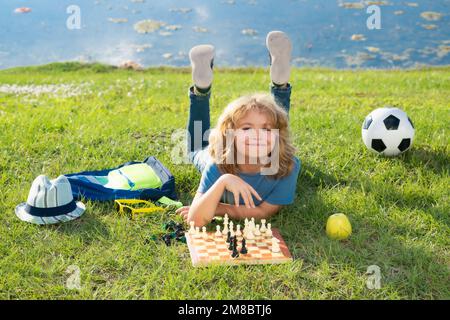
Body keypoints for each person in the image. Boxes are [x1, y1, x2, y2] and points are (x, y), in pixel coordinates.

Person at [176, 31, 301, 227]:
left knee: (276, 118)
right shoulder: (217, 165)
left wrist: (219, 208)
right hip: (223, 154)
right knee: (196, 150)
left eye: (267, 130)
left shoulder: (287, 166)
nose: (258, 136)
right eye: (246, 128)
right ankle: (279, 84)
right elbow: (196, 220)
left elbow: (263, 212)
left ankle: (202, 91)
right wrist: (224, 181)